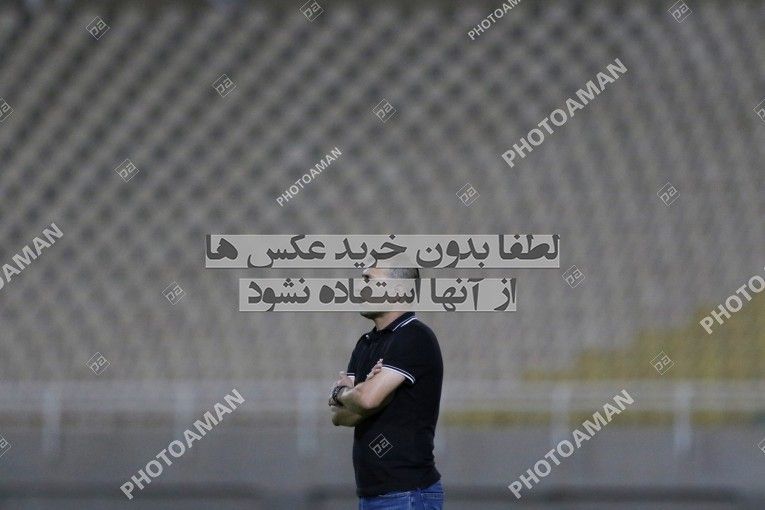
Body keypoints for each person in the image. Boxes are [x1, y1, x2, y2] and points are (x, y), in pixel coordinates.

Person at [329, 266, 444, 510]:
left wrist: (342, 393)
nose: (360, 287)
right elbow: (339, 416)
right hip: (372, 496)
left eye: (368, 280)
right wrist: (363, 396)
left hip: (407, 495)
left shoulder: (414, 336)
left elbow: (366, 400)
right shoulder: (366, 343)